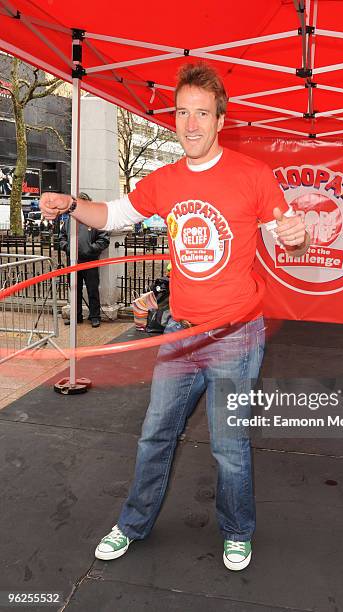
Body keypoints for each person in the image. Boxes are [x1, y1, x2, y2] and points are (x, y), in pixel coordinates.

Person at [40, 62, 309, 570]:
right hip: (180, 335)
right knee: (153, 435)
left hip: (235, 336)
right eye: (183, 112)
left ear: (220, 120)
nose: (190, 124)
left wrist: (299, 234)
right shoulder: (164, 179)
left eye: (202, 114)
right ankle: (132, 523)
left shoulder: (253, 175)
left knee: (229, 446)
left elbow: (287, 235)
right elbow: (115, 215)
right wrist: (72, 203)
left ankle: (237, 530)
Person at [59, 192, 109, 328]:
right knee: (75, 290)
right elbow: (62, 236)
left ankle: (95, 316)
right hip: (73, 261)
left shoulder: (95, 218)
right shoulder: (70, 218)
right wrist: (67, 247)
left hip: (90, 261)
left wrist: (90, 249)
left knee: (93, 290)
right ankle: (76, 316)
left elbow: (104, 239)